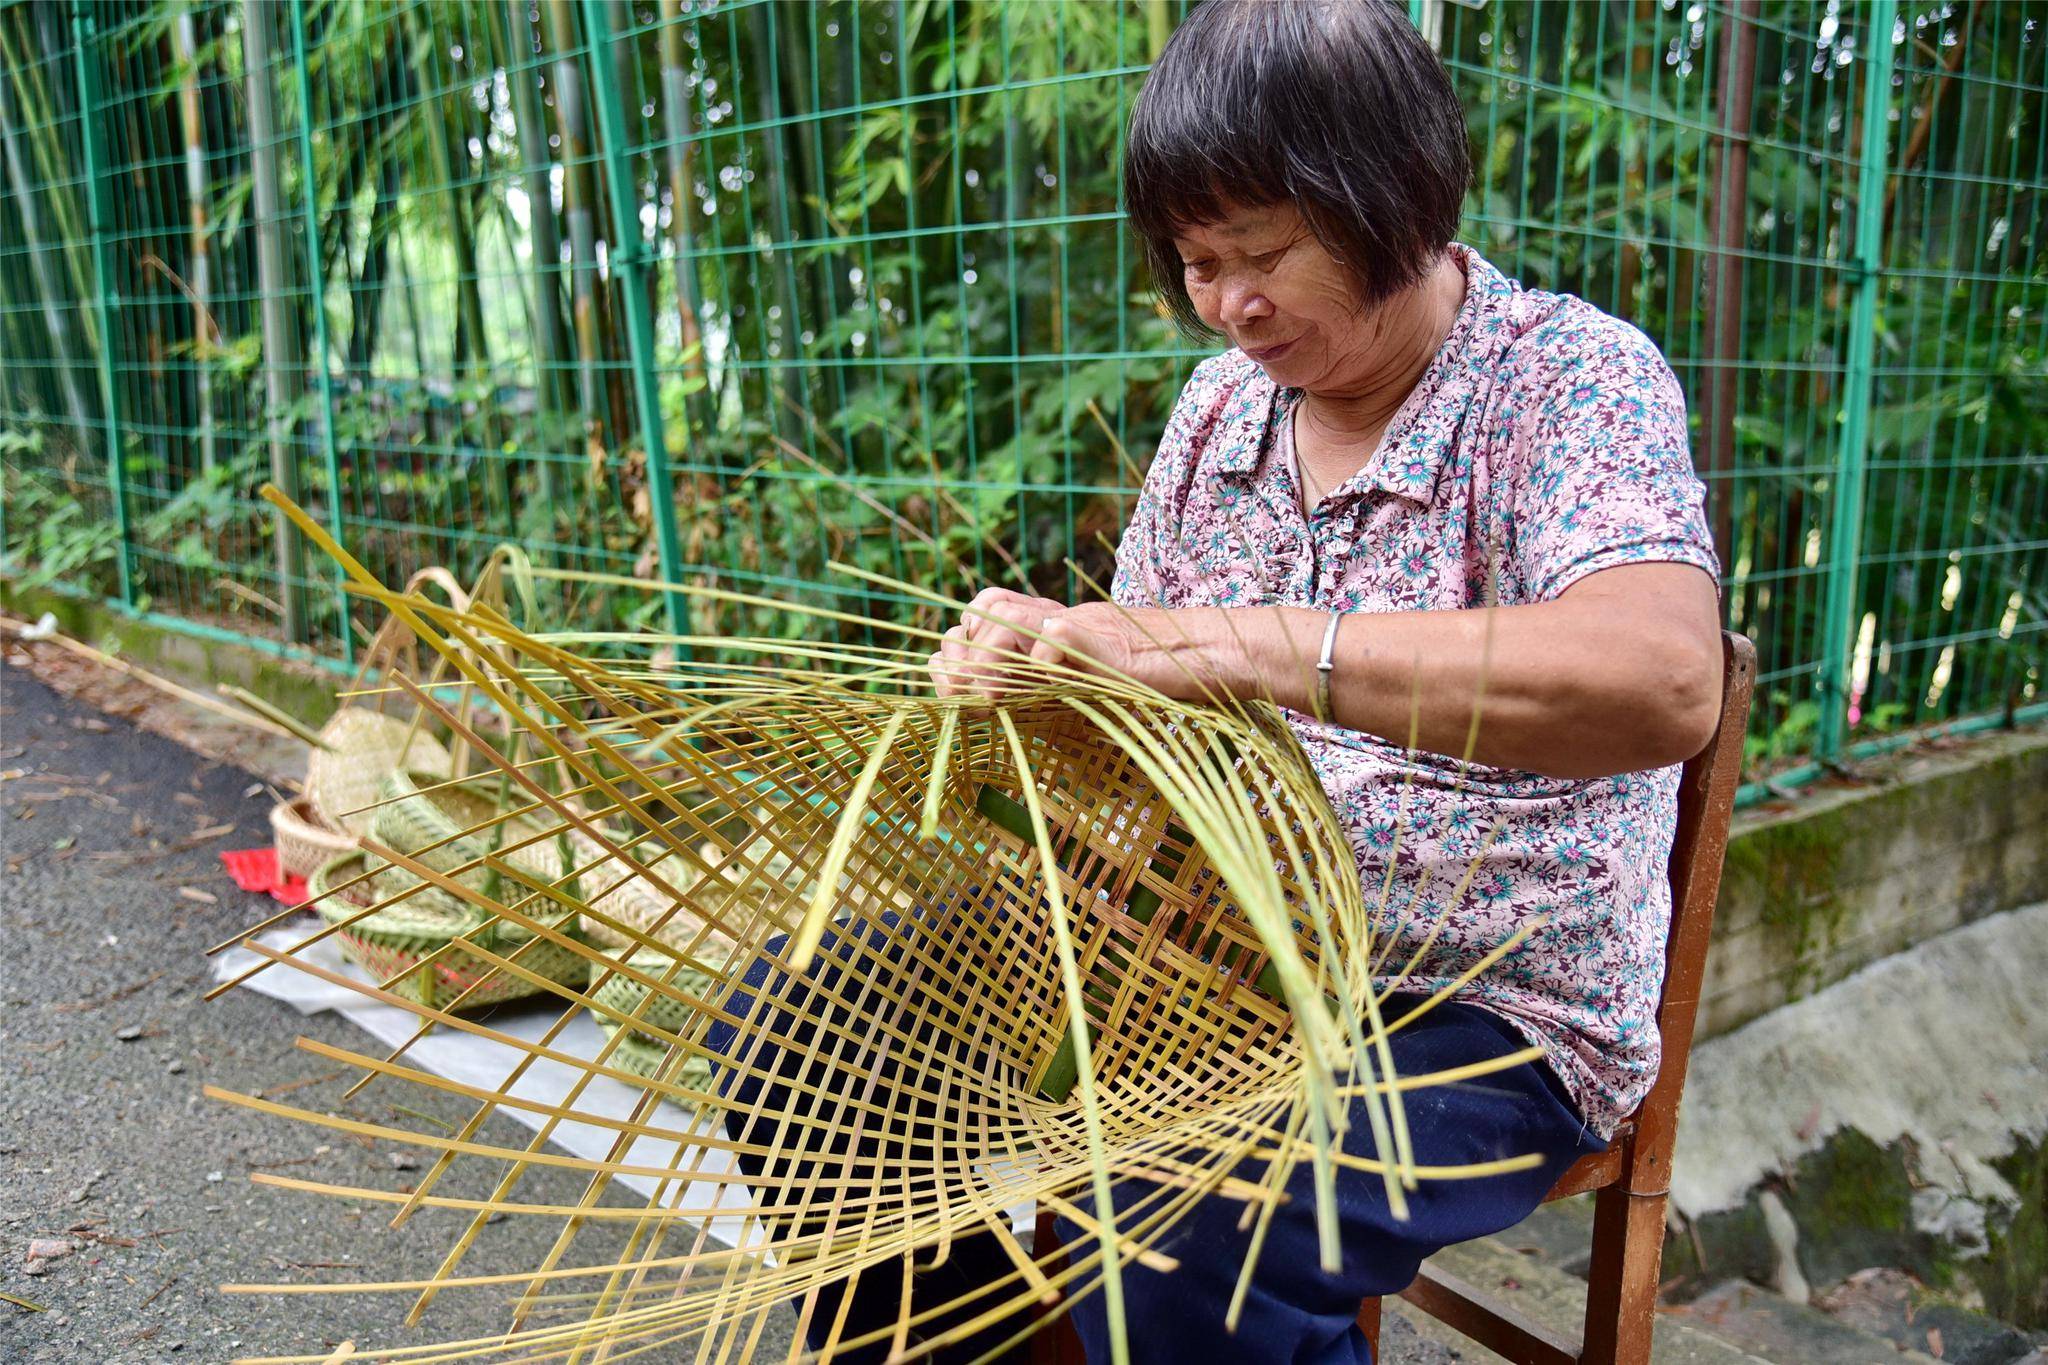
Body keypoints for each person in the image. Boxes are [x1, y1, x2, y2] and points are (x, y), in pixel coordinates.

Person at [713, 2, 1724, 1360]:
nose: (1231, 304)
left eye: (1264, 252)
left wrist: (1258, 645)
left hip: (1484, 1008)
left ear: (1396, 204)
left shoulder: (1567, 385)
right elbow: (1135, 719)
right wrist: (1042, 678)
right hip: (1206, 947)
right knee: (802, 1012)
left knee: (1175, 1201)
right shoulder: (1217, 416)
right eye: (1199, 262)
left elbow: (1662, 678)